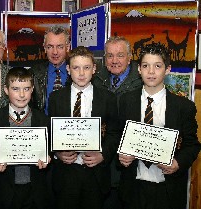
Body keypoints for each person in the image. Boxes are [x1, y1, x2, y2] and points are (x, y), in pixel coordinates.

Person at [118, 42, 201, 209]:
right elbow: (118, 136)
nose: (151, 72)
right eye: (145, 66)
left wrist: (178, 162)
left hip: (167, 188)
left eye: (157, 66)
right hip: (134, 187)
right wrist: (121, 155)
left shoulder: (183, 107)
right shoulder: (126, 101)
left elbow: (192, 145)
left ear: (167, 69)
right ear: (139, 69)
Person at [48, 46, 120, 209]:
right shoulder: (56, 98)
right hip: (66, 172)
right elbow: (51, 131)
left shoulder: (107, 98)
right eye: (76, 68)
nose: (81, 73)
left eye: (86, 67)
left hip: (95, 173)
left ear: (94, 69)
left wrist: (103, 155)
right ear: (68, 69)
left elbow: (114, 132)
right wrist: (58, 153)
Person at [0, 67, 52, 209]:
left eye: (26, 89)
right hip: (2, 192)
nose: (21, 94)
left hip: (35, 193)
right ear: (6, 90)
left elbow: (50, 149)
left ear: (32, 89)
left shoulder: (43, 120)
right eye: (15, 89)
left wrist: (48, 158)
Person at [93, 36, 143, 209]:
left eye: (120, 55)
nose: (114, 61)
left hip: (135, 164)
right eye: (110, 56)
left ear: (130, 57)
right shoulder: (96, 79)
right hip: (103, 160)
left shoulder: (143, 81)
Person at [29, 25, 71, 114]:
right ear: (44, 48)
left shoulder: (77, 73)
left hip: (70, 126)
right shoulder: (33, 73)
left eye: (60, 46)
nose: (55, 52)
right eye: (50, 47)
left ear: (67, 47)